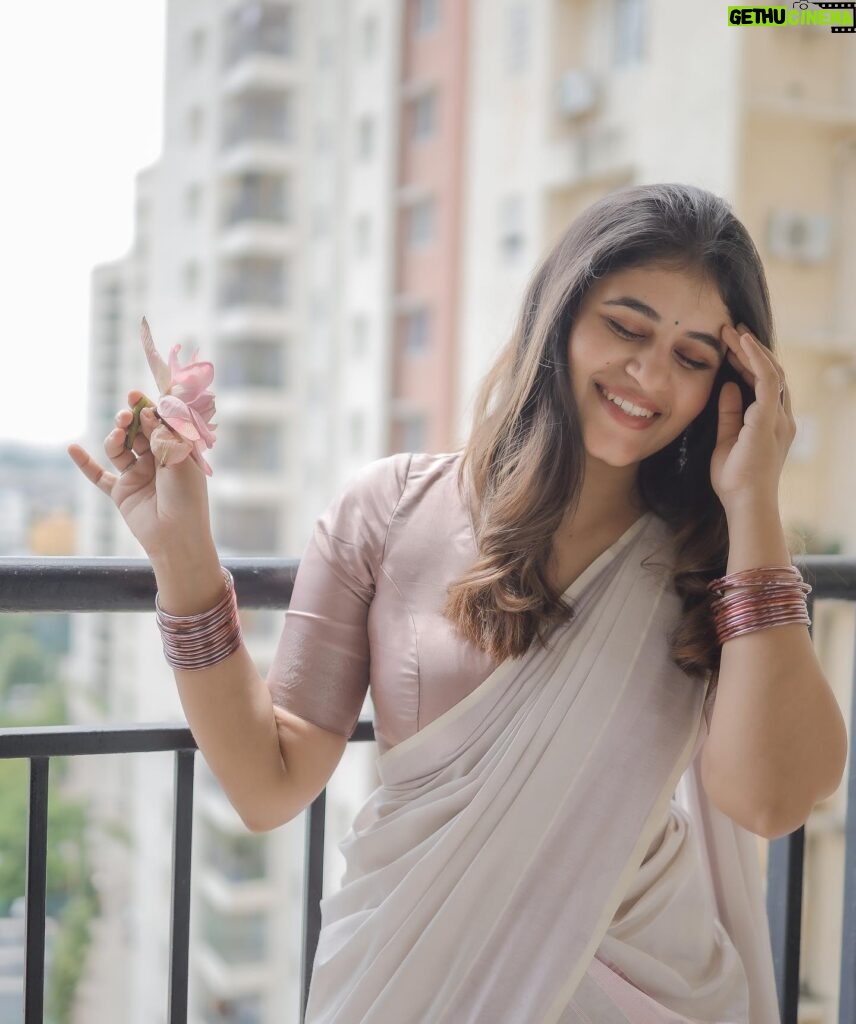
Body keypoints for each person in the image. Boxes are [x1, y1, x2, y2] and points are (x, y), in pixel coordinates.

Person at [69, 182, 819, 1022]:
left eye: (693, 357)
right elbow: (268, 784)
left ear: (731, 386)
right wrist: (182, 554)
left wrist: (754, 502)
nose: (649, 375)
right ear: (561, 314)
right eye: (626, 326)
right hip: (404, 979)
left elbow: (771, 801)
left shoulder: (715, 561)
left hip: (644, 989)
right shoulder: (390, 511)